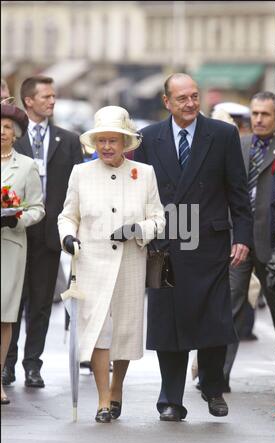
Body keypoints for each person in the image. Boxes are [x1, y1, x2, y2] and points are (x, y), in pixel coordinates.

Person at [134, 73, 253, 421]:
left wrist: (242, 236)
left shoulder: (223, 134)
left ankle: (212, 387)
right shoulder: (149, 138)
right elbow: (142, 193)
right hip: (166, 244)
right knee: (167, 324)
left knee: (214, 321)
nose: (190, 104)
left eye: (194, 96)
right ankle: (170, 398)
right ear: (167, 102)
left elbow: (238, 193)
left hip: (210, 244)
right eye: (182, 98)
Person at [58, 105, 165, 423]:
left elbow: (159, 219)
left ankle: (117, 387)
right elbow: (68, 215)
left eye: (113, 141)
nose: (106, 147)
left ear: (124, 142)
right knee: (98, 332)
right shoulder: (81, 172)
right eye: (101, 140)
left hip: (131, 264)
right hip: (91, 263)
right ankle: (104, 399)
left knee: (124, 333)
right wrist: (67, 237)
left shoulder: (144, 173)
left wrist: (139, 229)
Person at [2, 76, 83, 388]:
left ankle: (33, 365)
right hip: (14, 233)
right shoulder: (11, 138)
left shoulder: (69, 140)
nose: (52, 101)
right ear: (28, 101)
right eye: (46, 96)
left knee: (40, 304)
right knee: (11, 301)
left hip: (49, 234)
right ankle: (6, 364)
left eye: (54, 96)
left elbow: (77, 188)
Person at [224, 91, 275, 389]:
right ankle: (218, 378)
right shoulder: (239, 146)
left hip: (273, 246)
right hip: (239, 244)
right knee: (229, 308)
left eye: (265, 114)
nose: (258, 119)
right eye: (255, 113)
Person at [1, 103, 45, 404]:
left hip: (10, 245)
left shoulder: (27, 165)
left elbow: (37, 208)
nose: (1, 132)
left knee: (4, 317)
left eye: (6, 127)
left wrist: (18, 218)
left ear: (15, 134)